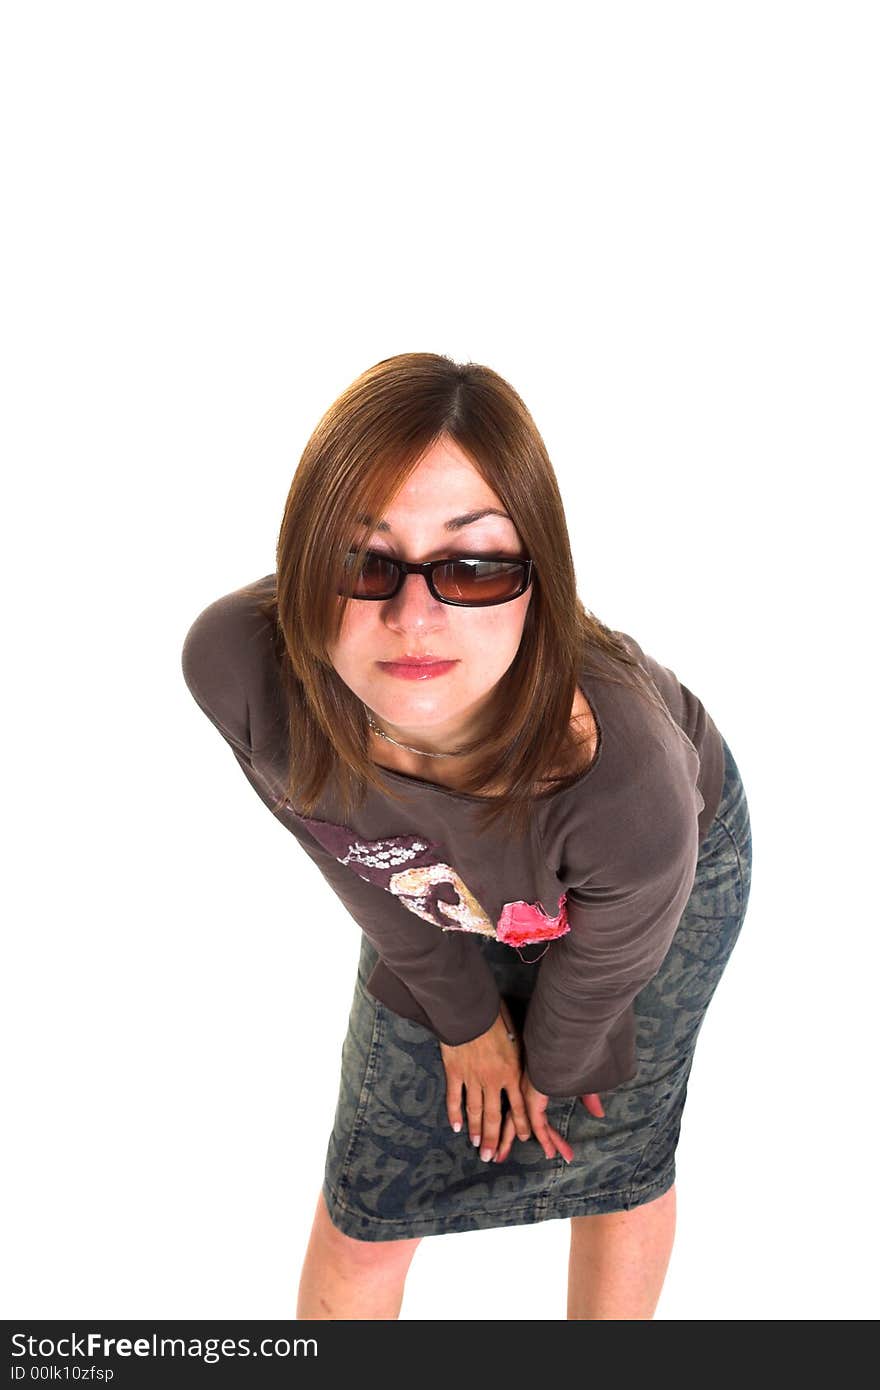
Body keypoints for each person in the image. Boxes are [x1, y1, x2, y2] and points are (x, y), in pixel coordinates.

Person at [181, 351, 752, 1319]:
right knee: (370, 1199)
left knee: (607, 1145)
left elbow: (600, 981)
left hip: (647, 889)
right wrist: (464, 1019)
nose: (414, 616)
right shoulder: (239, 667)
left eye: (474, 566)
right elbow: (354, 856)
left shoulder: (627, 786)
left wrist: (554, 1067)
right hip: (431, 890)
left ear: (541, 579)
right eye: (362, 562)